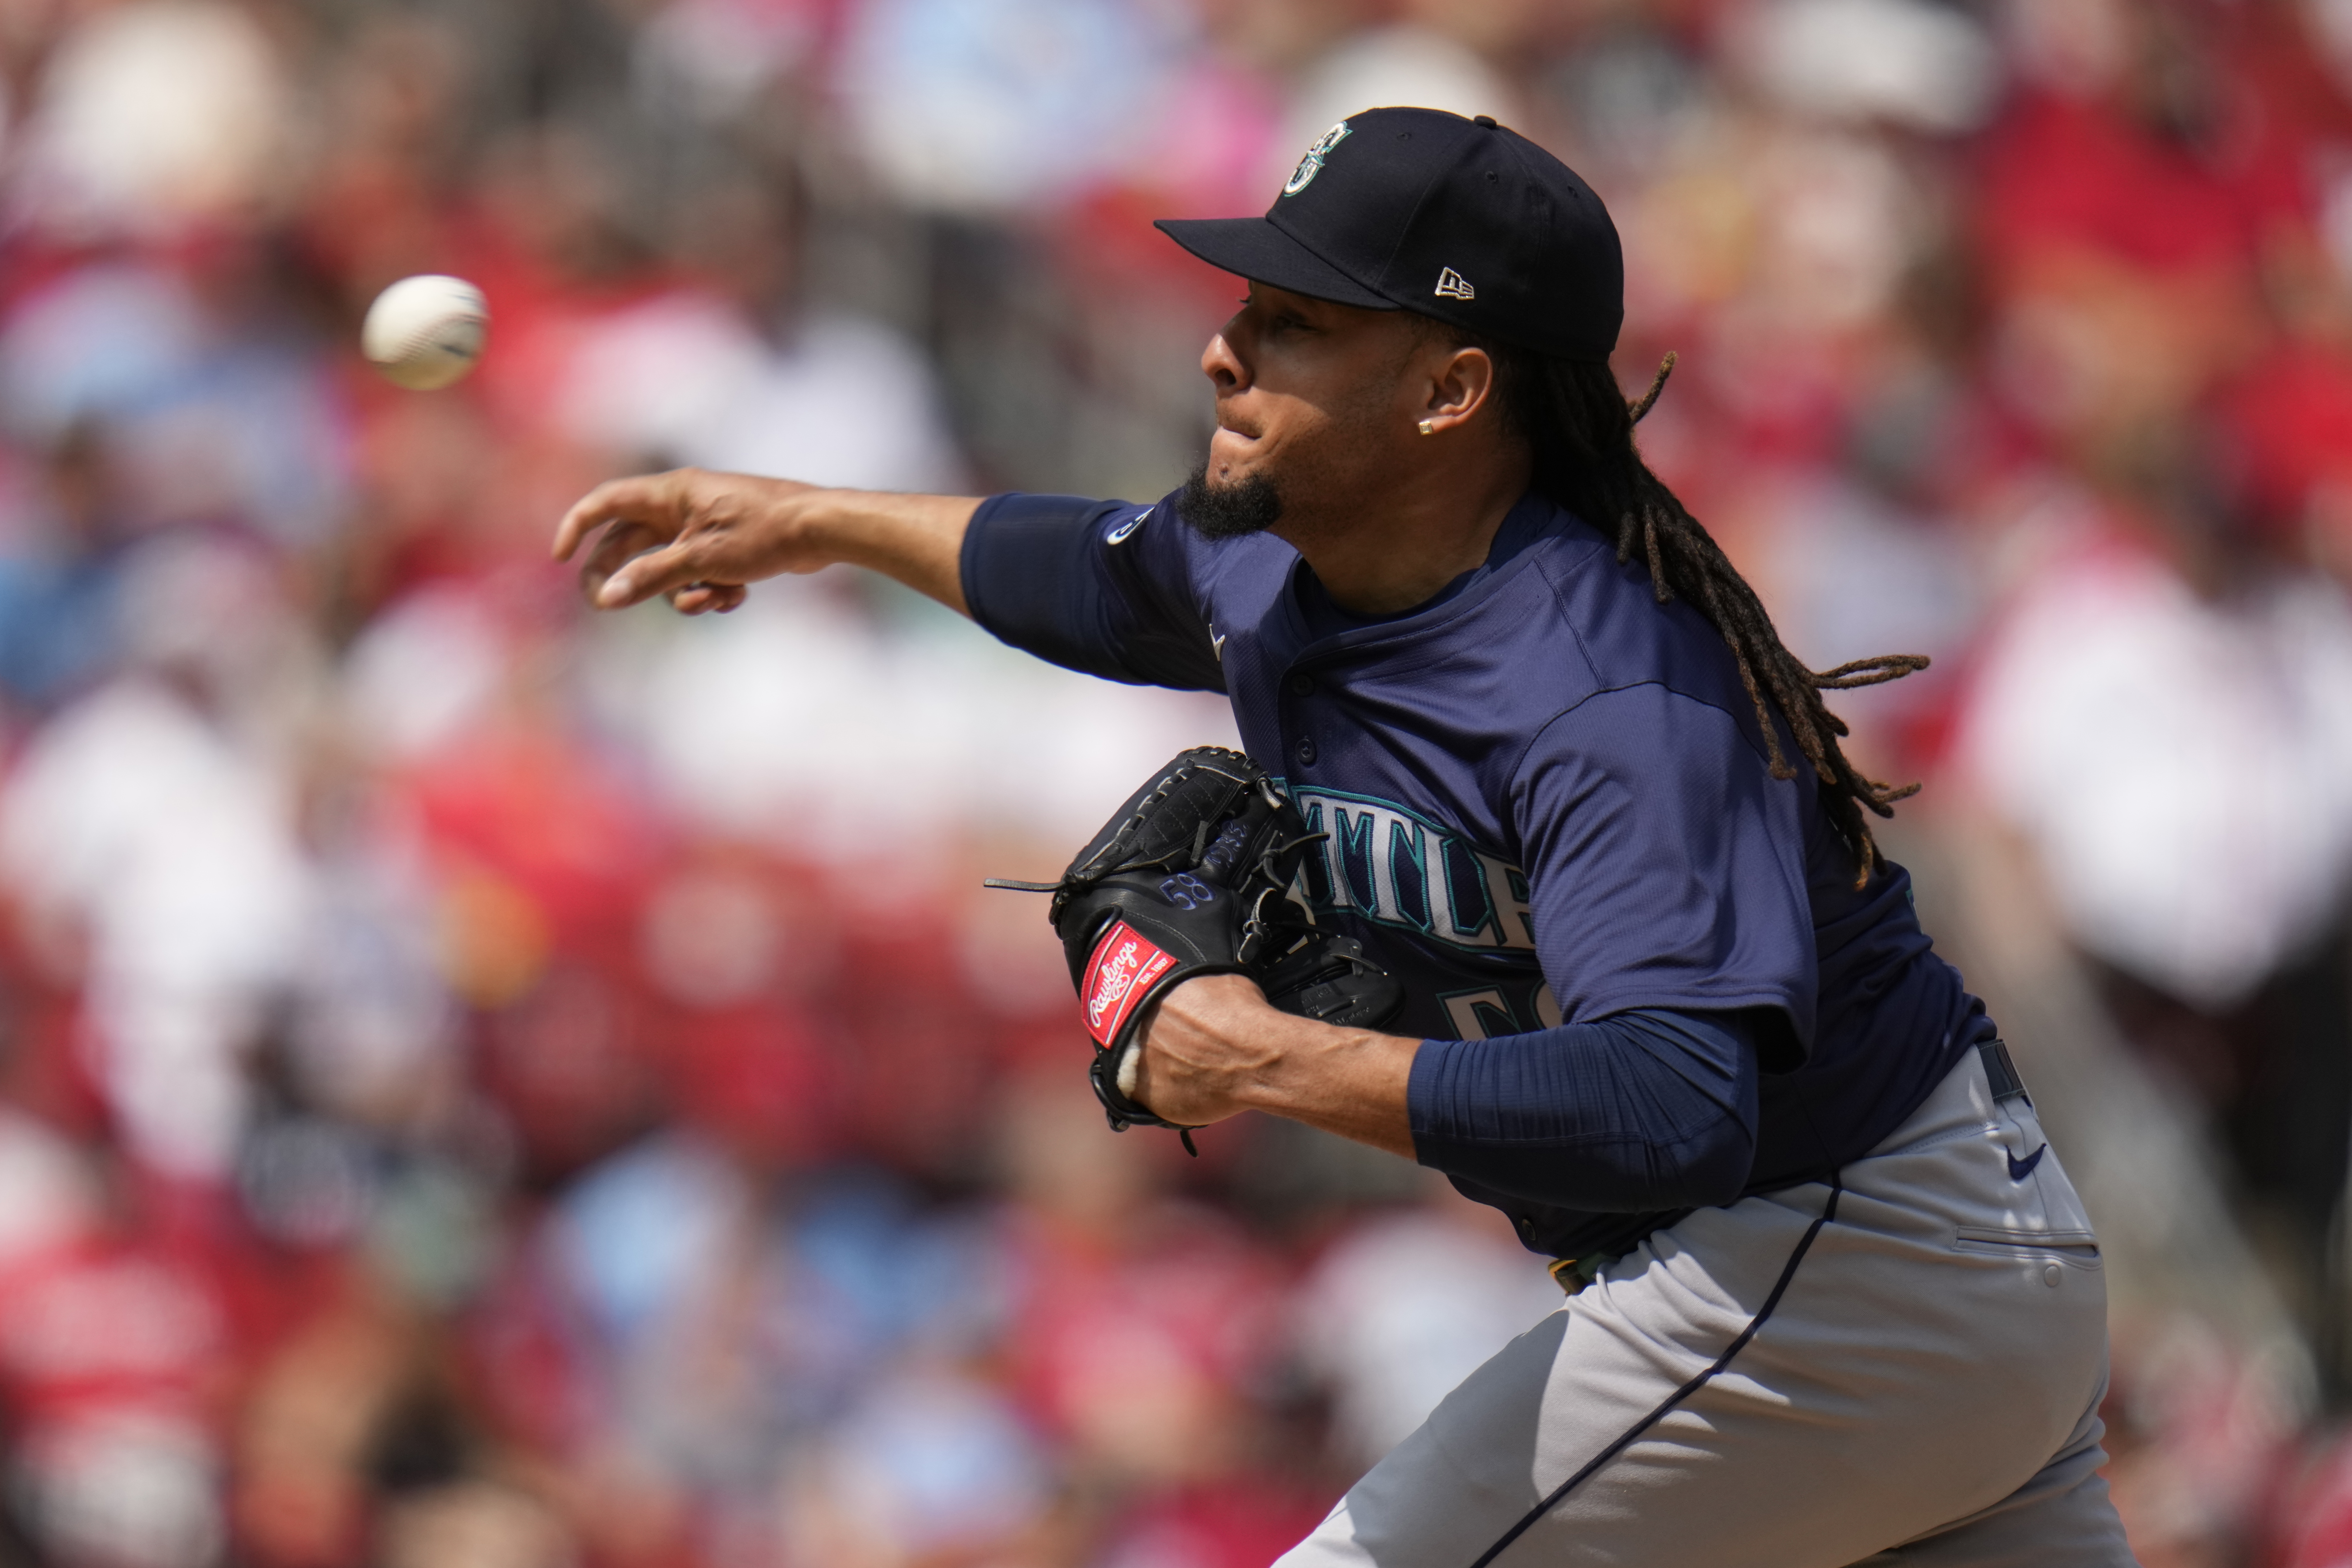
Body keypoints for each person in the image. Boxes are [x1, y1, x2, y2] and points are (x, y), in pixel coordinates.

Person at [552, 108, 2135, 1565]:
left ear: (1452, 391)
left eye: (1294, 325)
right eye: (1248, 307)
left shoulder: (1602, 694)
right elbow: (1099, 573)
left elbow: (1678, 1101)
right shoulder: (1287, 556)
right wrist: (817, 521)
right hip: (1930, 1277)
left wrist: (1252, 1060)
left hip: (1840, 1259)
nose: (1223, 352)